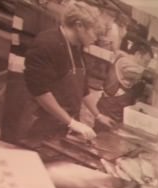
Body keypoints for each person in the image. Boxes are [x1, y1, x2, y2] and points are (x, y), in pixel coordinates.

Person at [20, 1, 104, 145]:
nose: (96, 39)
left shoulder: (77, 48)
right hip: (38, 124)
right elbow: (40, 93)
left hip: (59, 125)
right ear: (79, 25)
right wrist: (72, 122)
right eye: (94, 33)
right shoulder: (47, 43)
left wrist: (98, 115)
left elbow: (82, 89)